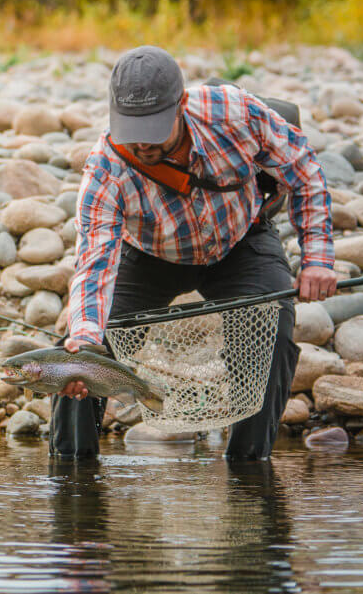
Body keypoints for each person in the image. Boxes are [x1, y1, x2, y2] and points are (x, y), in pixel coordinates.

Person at [52, 45, 337, 461]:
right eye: (131, 128)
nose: (141, 143)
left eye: (153, 128)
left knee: (271, 334)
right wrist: (84, 337)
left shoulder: (235, 113)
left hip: (241, 241)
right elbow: (94, 264)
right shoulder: (105, 168)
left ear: (181, 104)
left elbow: (305, 171)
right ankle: (71, 477)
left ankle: (249, 469)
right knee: (77, 358)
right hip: (148, 255)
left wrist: (317, 260)